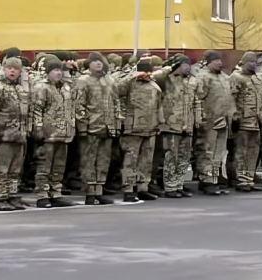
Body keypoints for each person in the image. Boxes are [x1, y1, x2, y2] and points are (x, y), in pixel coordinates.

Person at [73, 52, 119, 205]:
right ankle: (90, 192)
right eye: (94, 61)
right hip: (91, 127)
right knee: (89, 161)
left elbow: (116, 103)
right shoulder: (83, 81)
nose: (98, 63)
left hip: (107, 127)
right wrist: (82, 126)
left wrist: (116, 123)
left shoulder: (109, 80)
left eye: (100, 61)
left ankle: (99, 190)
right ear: (89, 64)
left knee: (103, 160)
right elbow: (79, 105)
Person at [115, 58, 163, 202]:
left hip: (150, 128)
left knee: (146, 161)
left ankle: (143, 187)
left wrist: (160, 123)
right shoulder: (130, 83)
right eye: (143, 71)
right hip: (133, 128)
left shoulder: (154, 86)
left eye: (148, 72)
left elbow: (159, 106)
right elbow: (116, 90)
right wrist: (132, 76)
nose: (146, 74)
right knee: (130, 160)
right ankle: (128, 189)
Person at [31, 58, 76, 208]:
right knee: (44, 166)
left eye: (60, 70)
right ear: (48, 72)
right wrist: (38, 130)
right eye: (55, 70)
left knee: (58, 166)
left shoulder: (66, 88)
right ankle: (42, 194)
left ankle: (55, 192)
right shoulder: (41, 88)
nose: (59, 73)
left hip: (63, 133)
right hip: (48, 134)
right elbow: (36, 110)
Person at [0, 57, 31, 212]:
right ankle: (1, 197)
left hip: (19, 136)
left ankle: (13, 195)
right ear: (3, 69)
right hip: (3, 136)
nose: (12, 71)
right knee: (1, 169)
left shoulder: (21, 90)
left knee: (15, 170)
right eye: (10, 68)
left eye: (16, 69)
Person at [152, 55, 197, 198]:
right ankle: (170, 187)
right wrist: (170, 68)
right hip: (171, 125)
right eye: (184, 64)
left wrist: (197, 120)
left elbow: (196, 101)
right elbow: (155, 76)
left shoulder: (192, 81)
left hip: (187, 124)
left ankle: (179, 184)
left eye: (189, 64)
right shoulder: (167, 80)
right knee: (171, 157)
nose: (188, 67)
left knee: (184, 157)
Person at [194, 50, 235, 195]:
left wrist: (233, 115)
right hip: (209, 121)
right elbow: (197, 99)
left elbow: (230, 98)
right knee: (207, 151)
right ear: (208, 62)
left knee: (219, 152)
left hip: (223, 121)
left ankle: (215, 178)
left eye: (220, 60)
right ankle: (206, 180)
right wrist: (200, 118)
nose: (219, 63)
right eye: (216, 60)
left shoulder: (225, 77)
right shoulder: (202, 77)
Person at [229, 52, 262, 192]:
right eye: (250, 61)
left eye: (255, 62)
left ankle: (249, 178)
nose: (253, 64)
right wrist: (234, 116)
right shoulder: (236, 77)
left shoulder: (256, 78)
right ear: (243, 62)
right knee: (241, 151)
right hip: (243, 121)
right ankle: (240, 179)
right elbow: (231, 98)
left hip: (256, 121)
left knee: (253, 152)